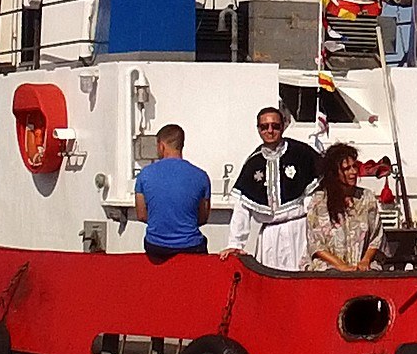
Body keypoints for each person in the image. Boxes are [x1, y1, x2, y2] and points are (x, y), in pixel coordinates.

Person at [225, 107, 322, 269]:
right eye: (264, 127)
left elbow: (317, 194)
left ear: (283, 126)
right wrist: (235, 244)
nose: (270, 131)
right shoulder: (253, 162)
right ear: (258, 129)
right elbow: (242, 208)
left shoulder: (302, 153)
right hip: (270, 236)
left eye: (275, 126)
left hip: (300, 231)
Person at [132, 123, 212, 263]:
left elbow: (141, 215)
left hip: (156, 248)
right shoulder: (201, 176)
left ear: (161, 146)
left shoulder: (144, 175)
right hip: (191, 247)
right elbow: (203, 218)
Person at [305, 144, 384, 270]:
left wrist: (365, 261)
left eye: (354, 167)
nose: (353, 172)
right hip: (330, 267)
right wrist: (342, 266)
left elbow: (376, 237)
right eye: (346, 169)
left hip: (362, 267)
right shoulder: (319, 201)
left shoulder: (367, 197)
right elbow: (316, 244)